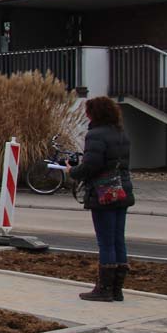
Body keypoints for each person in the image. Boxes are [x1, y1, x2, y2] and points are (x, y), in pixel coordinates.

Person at [69, 96, 136, 302]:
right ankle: (117, 289)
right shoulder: (121, 133)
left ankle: (104, 289)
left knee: (105, 242)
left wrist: (72, 171)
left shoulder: (95, 135)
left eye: (87, 111)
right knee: (118, 240)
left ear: (94, 113)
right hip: (122, 190)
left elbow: (92, 165)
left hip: (103, 192)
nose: (85, 115)